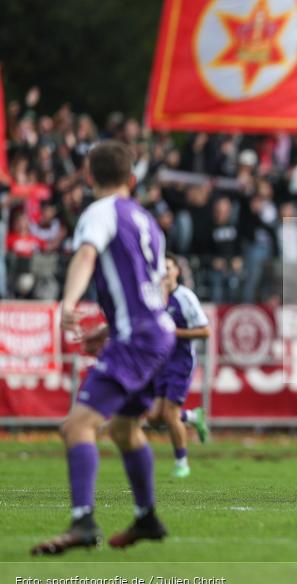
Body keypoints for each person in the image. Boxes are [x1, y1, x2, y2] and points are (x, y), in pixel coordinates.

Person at [31, 141, 176, 555]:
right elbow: (152, 288)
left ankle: (82, 523)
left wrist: (68, 303)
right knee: (124, 429)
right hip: (156, 332)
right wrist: (112, 330)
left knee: (76, 426)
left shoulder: (99, 211)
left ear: (89, 176)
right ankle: (146, 517)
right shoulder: (147, 220)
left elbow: (86, 255)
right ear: (132, 179)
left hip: (138, 338)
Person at [145, 254, 211, 478]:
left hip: (180, 362)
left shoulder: (185, 297)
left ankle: (182, 463)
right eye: (160, 267)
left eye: (168, 267)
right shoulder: (152, 298)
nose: (164, 271)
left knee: (170, 414)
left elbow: (205, 331)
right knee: (154, 417)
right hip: (159, 363)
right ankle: (192, 418)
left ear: (177, 272)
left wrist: (175, 333)